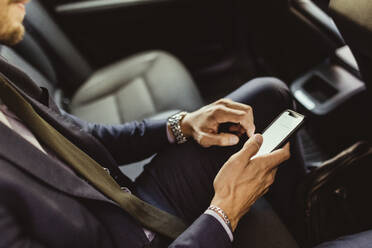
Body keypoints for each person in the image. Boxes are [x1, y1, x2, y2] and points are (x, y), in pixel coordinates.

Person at [0, 0, 305, 247]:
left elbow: (82, 137)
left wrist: (183, 124)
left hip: (130, 206)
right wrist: (225, 213)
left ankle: (308, 214)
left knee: (268, 96)